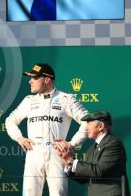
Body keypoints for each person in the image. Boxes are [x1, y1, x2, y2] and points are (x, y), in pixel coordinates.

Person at [5, 63, 89, 196]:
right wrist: (19, 138)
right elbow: (10, 121)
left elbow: (87, 121)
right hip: (33, 153)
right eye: (30, 77)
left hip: (57, 154)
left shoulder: (66, 99)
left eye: (34, 78)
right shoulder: (29, 100)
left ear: (47, 79)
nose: (30, 81)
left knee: (58, 194)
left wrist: (72, 144)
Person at [56, 110, 130, 196]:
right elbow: (84, 178)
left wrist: (71, 160)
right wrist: (68, 162)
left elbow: (99, 171)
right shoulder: (92, 149)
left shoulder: (113, 143)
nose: (86, 128)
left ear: (101, 126)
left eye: (89, 123)